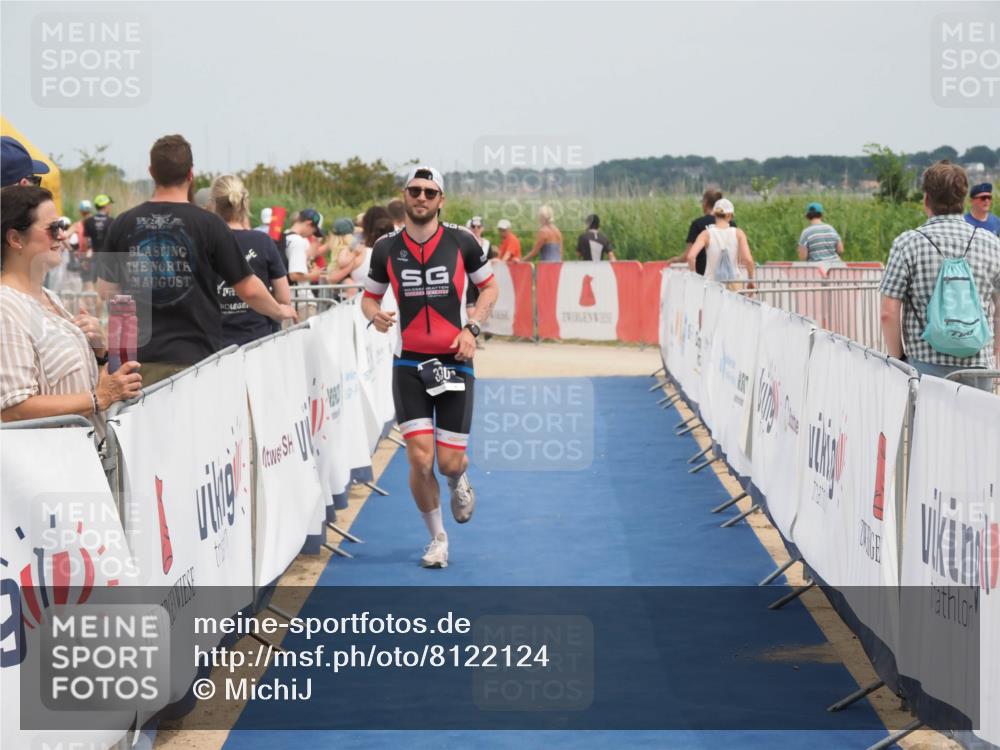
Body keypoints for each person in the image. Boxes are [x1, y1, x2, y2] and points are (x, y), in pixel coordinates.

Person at [362, 165, 499, 569]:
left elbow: (489, 286)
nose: (421, 198)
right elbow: (369, 297)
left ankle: (458, 478)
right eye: (414, 190)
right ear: (404, 195)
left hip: (455, 360)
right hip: (408, 363)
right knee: (420, 460)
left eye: (429, 192)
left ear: (441, 200)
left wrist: (472, 327)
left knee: (448, 462)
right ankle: (438, 538)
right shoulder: (386, 248)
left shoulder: (462, 241)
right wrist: (374, 315)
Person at [97, 134, 297, 385]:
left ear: (151, 172)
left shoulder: (122, 223)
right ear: (191, 174)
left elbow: (105, 290)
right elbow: (248, 289)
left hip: (138, 361)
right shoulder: (209, 224)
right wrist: (279, 310)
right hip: (194, 360)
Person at [1, 186, 142, 433]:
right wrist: (99, 398)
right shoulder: (5, 309)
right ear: (15, 239)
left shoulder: (50, 297)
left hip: (85, 451)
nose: (63, 235)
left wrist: (99, 351)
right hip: (53, 456)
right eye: (53, 228)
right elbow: (14, 408)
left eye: (63, 226)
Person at [880, 161, 1000, 392]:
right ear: (964, 200)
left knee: (928, 418)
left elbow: (888, 313)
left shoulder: (907, 243)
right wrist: (995, 350)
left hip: (924, 366)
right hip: (979, 365)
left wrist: (899, 359)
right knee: (977, 417)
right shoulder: (992, 243)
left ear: (926, 200)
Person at [210, 175, 291, 346]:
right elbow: (284, 297)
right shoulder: (262, 241)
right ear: (245, 203)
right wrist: (277, 311)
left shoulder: (204, 242)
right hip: (257, 341)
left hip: (214, 345)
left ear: (213, 203)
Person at [685, 198, 755, 289]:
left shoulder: (706, 234)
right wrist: (751, 281)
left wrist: (695, 278)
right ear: (730, 215)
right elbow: (748, 260)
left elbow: (691, 257)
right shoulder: (738, 233)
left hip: (711, 285)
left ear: (714, 214)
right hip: (734, 283)